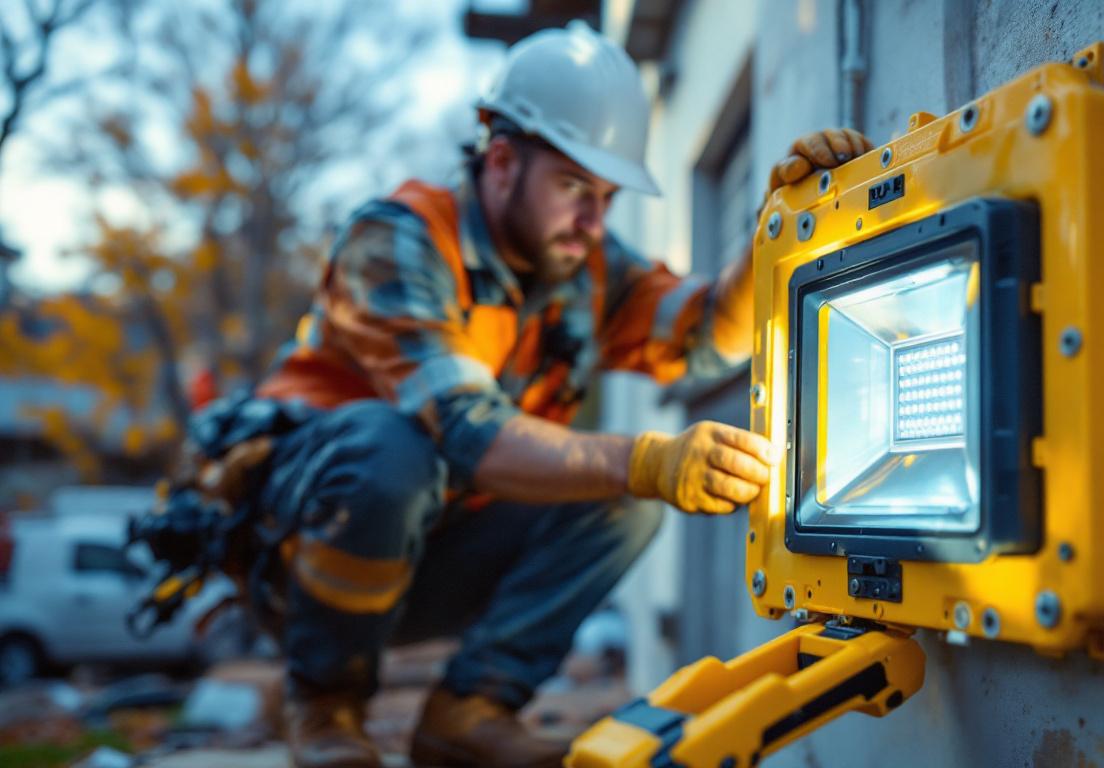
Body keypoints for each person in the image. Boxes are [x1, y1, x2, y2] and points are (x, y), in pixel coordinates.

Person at [175, 22, 872, 768]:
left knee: (625, 493)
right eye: (575, 188)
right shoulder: (399, 240)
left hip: (436, 549)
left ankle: (469, 711)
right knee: (396, 450)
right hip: (310, 553)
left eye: (605, 196)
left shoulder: (584, 264)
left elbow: (706, 333)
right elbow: (467, 433)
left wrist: (779, 237)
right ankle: (325, 708)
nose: (594, 221)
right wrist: (650, 458)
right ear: (501, 161)